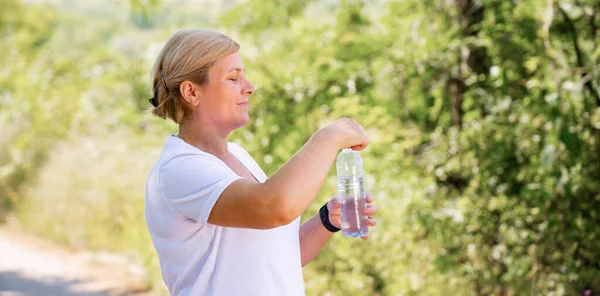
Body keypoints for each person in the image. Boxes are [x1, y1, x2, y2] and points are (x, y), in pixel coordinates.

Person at [144, 28, 377, 296]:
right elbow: (274, 208)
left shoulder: (237, 155)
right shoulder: (179, 168)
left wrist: (326, 220)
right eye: (233, 78)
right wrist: (328, 136)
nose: (250, 87)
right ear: (191, 92)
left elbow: (277, 260)